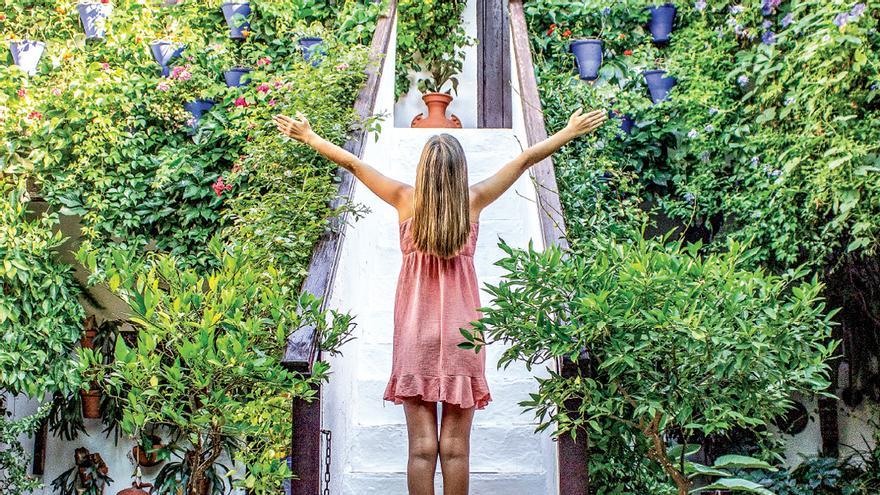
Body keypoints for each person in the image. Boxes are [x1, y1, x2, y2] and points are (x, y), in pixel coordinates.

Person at [274, 108, 607, 495]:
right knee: (456, 450)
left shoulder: (403, 199)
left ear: (424, 171)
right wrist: (568, 130)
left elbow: (352, 162)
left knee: (420, 449)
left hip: (416, 335)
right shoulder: (474, 200)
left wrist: (310, 136)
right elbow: (524, 160)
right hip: (463, 335)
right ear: (459, 172)